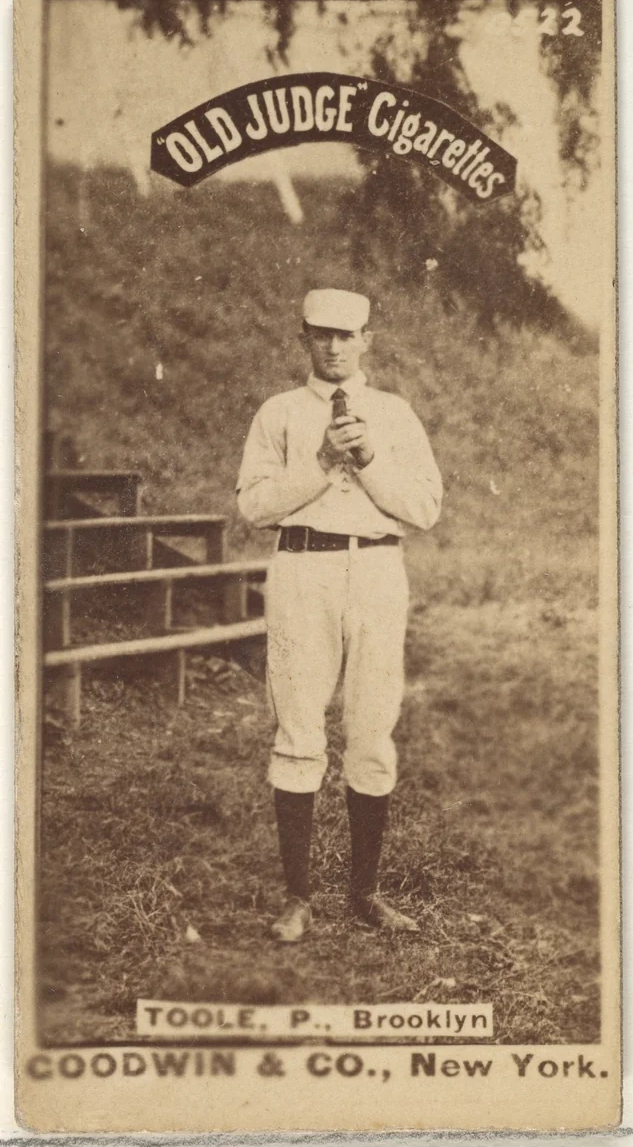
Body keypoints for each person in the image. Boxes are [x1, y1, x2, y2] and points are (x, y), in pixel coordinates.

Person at [237, 288, 442, 942]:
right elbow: (254, 507)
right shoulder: (279, 413)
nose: (332, 346)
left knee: (372, 728)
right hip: (303, 569)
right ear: (303, 337)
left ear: (365, 341)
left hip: (377, 569)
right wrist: (322, 464)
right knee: (298, 727)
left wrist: (370, 459)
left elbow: (424, 508)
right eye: (320, 334)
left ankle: (364, 892)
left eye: (345, 335)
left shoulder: (394, 414)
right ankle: (297, 898)